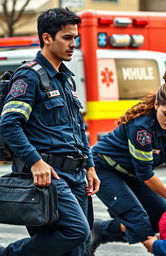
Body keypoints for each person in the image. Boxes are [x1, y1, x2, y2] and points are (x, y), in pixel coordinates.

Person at [0, 8, 100, 256]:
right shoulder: (29, 76)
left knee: (79, 250)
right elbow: (9, 123)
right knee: (78, 231)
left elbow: (77, 128)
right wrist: (35, 162)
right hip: (47, 178)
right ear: (47, 38)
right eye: (67, 37)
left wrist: (90, 165)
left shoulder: (67, 79)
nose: (73, 44)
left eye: (75, 38)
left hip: (76, 176)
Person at [90, 66, 166, 254]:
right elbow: (145, 173)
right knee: (138, 220)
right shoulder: (142, 128)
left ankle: (102, 230)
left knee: (161, 217)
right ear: (157, 105)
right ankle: (105, 230)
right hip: (104, 168)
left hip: (132, 171)